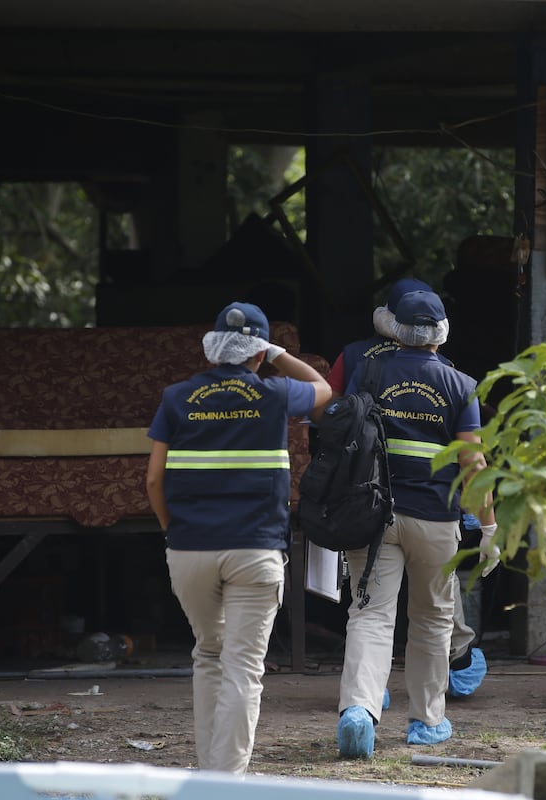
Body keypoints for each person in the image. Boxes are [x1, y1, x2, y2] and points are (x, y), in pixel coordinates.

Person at [146, 301, 332, 774]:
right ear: (256, 352)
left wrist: (175, 533)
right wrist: (275, 353)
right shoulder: (274, 395)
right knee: (244, 667)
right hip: (256, 550)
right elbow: (324, 389)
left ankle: (209, 773)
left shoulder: (175, 397)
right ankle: (225, 782)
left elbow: (152, 481)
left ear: (213, 350)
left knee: (209, 652)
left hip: (190, 550)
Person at [335, 289, 496, 758]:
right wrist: (488, 527)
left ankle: (359, 712)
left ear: (395, 328)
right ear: (441, 333)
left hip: (374, 515)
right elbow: (473, 461)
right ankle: (427, 721)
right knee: (432, 620)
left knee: (369, 616)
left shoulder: (367, 371)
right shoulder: (460, 385)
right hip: (435, 520)